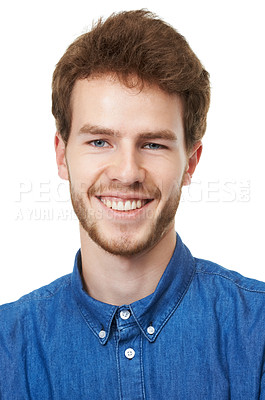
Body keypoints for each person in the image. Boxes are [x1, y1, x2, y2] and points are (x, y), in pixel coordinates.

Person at [0, 9, 264, 400]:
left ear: (191, 162)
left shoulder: (257, 332)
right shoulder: (8, 345)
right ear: (61, 155)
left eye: (153, 144)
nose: (127, 173)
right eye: (99, 141)